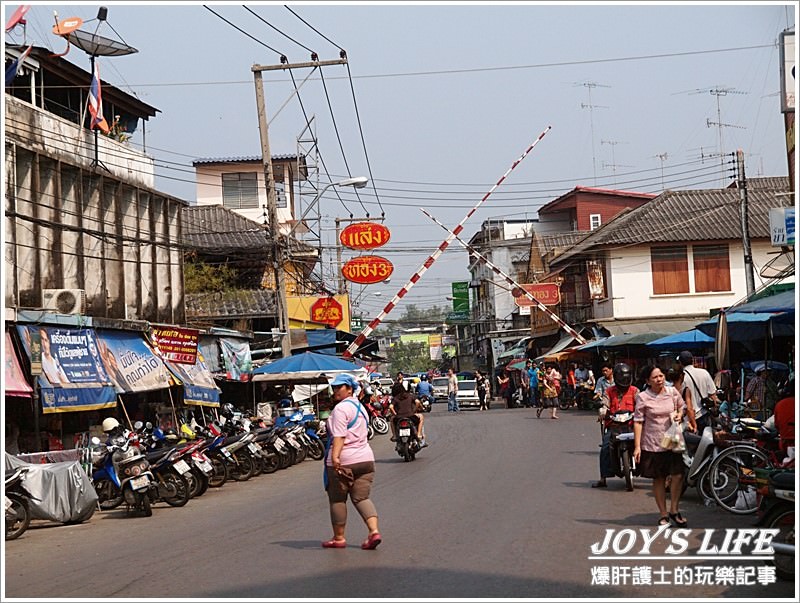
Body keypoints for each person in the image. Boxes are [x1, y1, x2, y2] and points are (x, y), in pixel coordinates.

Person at [322, 373, 382, 550]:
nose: (335, 391)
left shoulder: (340, 409)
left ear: (349, 389)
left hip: (344, 460)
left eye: (339, 387)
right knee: (362, 498)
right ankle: (374, 531)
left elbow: (339, 436)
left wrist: (335, 458)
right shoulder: (360, 407)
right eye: (333, 388)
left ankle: (339, 538)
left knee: (338, 500)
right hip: (365, 459)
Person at [633, 365, 688, 528]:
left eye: (661, 376)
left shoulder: (672, 392)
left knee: (678, 475)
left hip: (673, 440)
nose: (659, 379)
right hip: (653, 443)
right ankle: (663, 514)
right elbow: (638, 421)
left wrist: (680, 414)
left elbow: (682, 406)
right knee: (659, 478)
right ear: (648, 381)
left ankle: (674, 510)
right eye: (655, 377)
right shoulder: (643, 397)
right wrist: (637, 446)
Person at [593, 363, 639, 489]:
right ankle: (603, 478)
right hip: (614, 425)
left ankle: (651, 472)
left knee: (647, 443)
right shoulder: (609, 391)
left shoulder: (635, 391)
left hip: (632, 425)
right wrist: (603, 410)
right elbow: (605, 403)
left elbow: (641, 403)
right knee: (605, 447)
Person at [677, 350, 718, 433]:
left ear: (680, 363)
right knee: (707, 440)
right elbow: (713, 394)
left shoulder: (682, 378)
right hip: (705, 413)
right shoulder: (704, 372)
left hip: (690, 418)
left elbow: (682, 401)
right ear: (692, 360)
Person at [667, 368, 697, 433]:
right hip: (684, 424)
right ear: (681, 376)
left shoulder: (668, 390)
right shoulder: (685, 390)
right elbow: (689, 409)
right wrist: (694, 424)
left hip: (672, 424)